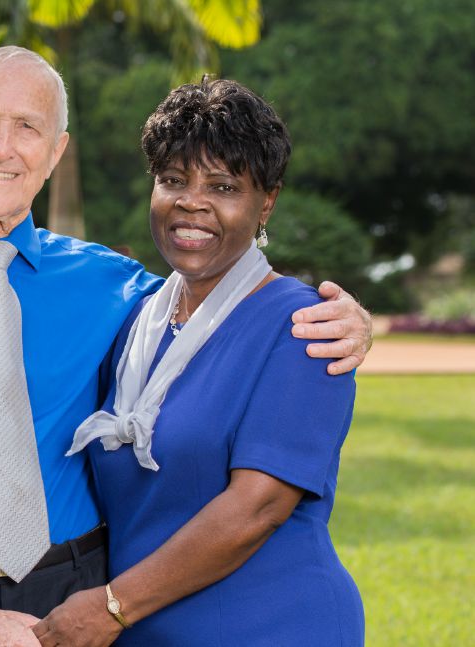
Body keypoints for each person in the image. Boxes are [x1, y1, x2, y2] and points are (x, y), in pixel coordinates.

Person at [0, 47, 371, 647]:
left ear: (55, 152)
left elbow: (229, 301)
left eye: (28, 126)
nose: (3, 146)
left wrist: (348, 317)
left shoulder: (118, 288)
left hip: (79, 605)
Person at [33, 78, 364, 646]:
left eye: (224, 185)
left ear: (267, 201)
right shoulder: (134, 322)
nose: (192, 202)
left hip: (271, 627)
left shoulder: (303, 327)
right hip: (142, 630)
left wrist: (111, 607)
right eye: (173, 180)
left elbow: (257, 508)